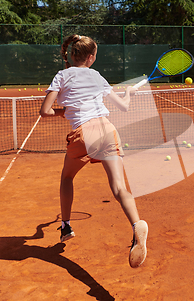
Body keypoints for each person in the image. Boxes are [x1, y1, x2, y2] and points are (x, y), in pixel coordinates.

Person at [39, 34, 148, 268]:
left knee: (67, 176)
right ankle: (136, 224)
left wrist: (65, 112)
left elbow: (45, 111)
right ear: (90, 57)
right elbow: (124, 106)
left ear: (72, 54)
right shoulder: (97, 76)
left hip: (83, 133)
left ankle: (66, 225)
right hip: (107, 129)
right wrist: (128, 94)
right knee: (119, 187)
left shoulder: (61, 76)